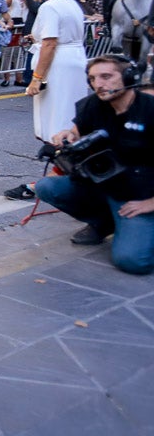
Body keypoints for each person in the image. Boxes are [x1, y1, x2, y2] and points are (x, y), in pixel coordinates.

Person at [35, 55, 154, 273]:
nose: (98, 84)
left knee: (133, 261)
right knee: (46, 187)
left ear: (128, 77)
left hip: (140, 194)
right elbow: (76, 132)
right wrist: (67, 135)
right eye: (93, 78)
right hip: (102, 182)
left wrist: (150, 204)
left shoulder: (149, 109)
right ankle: (104, 222)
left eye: (106, 77)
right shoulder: (93, 105)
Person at [5, 0, 92, 200]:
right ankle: (64, 175)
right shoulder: (70, 3)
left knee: (57, 123)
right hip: (73, 60)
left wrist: (36, 79)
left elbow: (51, 44)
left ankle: (54, 180)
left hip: (58, 66)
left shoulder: (50, 6)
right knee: (67, 118)